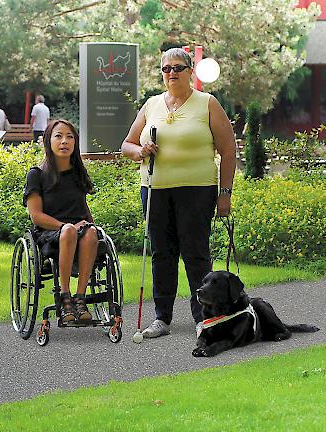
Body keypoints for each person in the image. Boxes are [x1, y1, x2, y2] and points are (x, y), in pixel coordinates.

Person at [120, 47, 236, 338]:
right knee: (162, 253)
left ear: (190, 71)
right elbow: (127, 145)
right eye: (166, 69)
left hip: (197, 190)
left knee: (196, 253)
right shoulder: (151, 105)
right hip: (155, 189)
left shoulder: (207, 103)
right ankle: (162, 318)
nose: (171, 73)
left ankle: (204, 318)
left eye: (177, 67)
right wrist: (140, 151)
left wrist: (225, 193)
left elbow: (228, 149)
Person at [23, 119, 97, 322]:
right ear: (48, 141)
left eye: (69, 137)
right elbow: (36, 216)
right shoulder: (36, 174)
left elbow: (84, 207)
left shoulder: (78, 173)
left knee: (91, 232)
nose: (64, 141)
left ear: (75, 143)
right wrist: (66, 226)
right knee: (69, 231)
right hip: (49, 234)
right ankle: (65, 298)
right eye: (58, 136)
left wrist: (92, 226)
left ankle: (80, 299)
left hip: (79, 231)